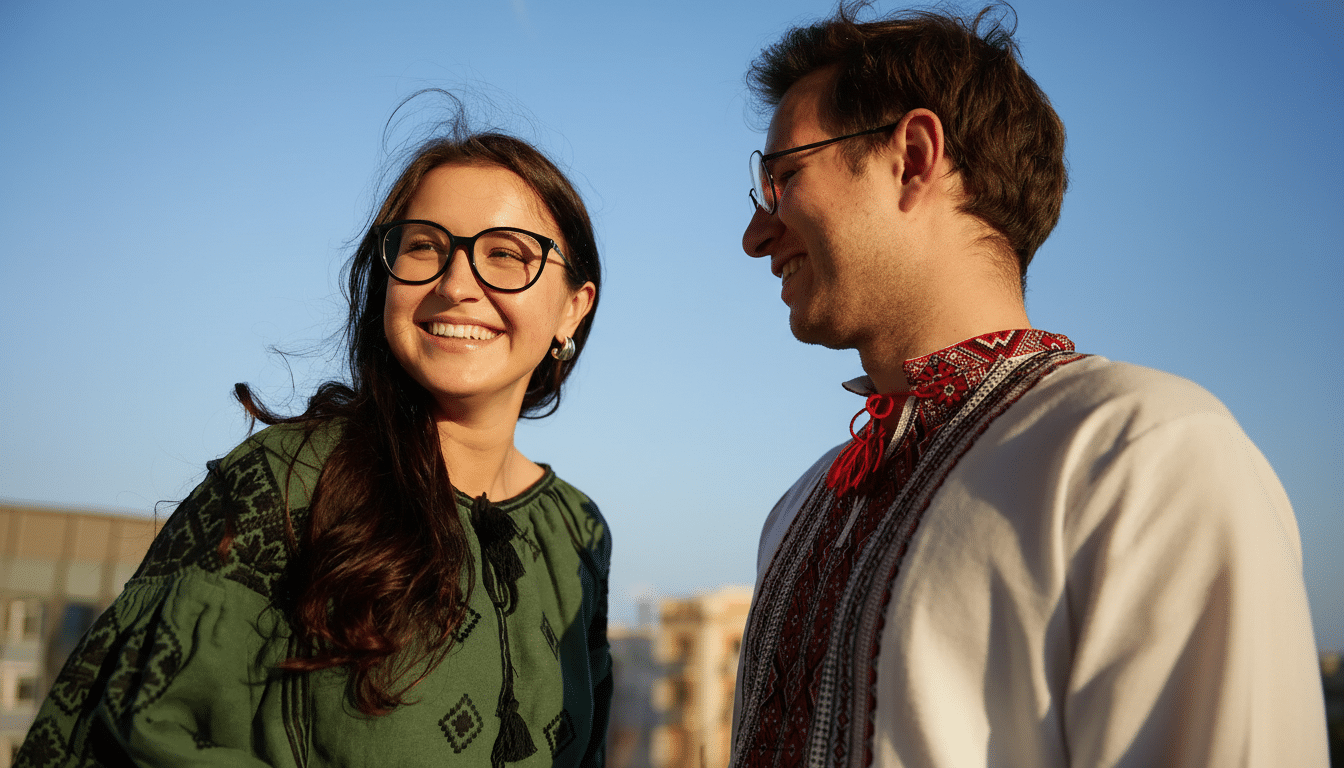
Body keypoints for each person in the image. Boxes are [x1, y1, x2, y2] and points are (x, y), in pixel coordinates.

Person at [731, 4, 1328, 767]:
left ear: (913, 157)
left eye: (783, 177)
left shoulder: (1144, 454)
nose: (756, 234)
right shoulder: (802, 508)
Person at [17, 125, 611, 767]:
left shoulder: (578, 533)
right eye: (423, 247)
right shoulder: (291, 478)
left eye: (505, 254)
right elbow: (148, 734)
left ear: (572, 309)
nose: (455, 284)